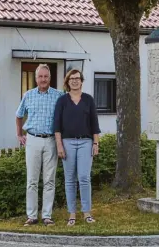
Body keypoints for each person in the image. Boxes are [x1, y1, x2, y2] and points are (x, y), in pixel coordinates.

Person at [16, 64, 63, 226]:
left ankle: (47, 216)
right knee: (32, 180)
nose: (43, 79)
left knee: (49, 180)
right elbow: (19, 115)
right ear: (36, 78)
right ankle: (32, 216)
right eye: (40, 76)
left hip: (51, 140)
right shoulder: (28, 95)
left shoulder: (59, 95)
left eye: (46, 76)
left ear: (50, 78)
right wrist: (19, 135)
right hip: (33, 140)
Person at [54, 69, 100, 226]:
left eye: (77, 78)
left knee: (84, 178)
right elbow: (57, 126)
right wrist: (59, 145)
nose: (75, 81)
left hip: (86, 143)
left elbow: (95, 124)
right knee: (70, 180)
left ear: (81, 81)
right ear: (67, 82)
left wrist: (96, 143)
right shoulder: (62, 101)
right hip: (67, 143)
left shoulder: (88, 100)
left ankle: (87, 213)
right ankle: (72, 214)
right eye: (71, 78)